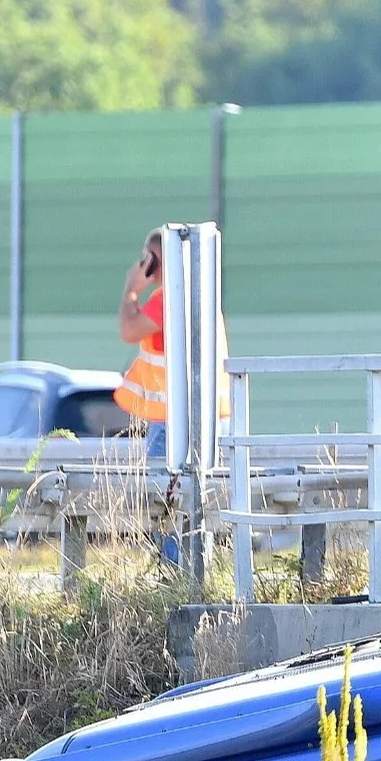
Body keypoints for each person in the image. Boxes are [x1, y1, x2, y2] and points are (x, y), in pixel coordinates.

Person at [114, 227, 229, 567]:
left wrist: (131, 291)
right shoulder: (201, 298)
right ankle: (193, 572)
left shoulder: (168, 299)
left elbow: (127, 329)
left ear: (153, 261)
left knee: (164, 507)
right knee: (194, 505)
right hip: (209, 419)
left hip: (171, 422)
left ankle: (175, 575)